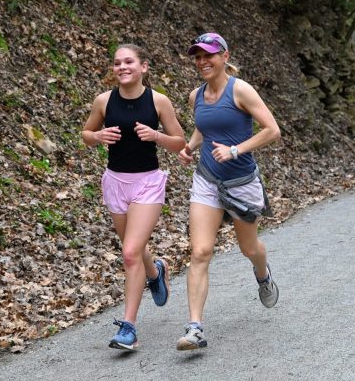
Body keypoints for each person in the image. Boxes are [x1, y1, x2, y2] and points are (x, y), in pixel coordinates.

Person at [176, 32, 281, 350]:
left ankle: (262, 274)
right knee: (200, 251)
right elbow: (204, 128)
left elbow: (272, 130)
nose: (202, 61)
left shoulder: (241, 90)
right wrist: (190, 147)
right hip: (207, 179)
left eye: (208, 55)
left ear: (224, 56)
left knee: (249, 249)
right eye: (198, 57)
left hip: (241, 182)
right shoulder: (196, 96)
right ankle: (195, 328)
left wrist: (236, 150)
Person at [82, 43, 186, 351]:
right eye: (117, 63)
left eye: (129, 62)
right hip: (115, 182)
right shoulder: (104, 101)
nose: (122, 67)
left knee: (129, 252)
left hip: (147, 183)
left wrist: (156, 136)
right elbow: (86, 135)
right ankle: (155, 273)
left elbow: (179, 141)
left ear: (143, 67)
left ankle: (128, 328)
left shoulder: (158, 101)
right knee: (134, 248)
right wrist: (97, 136)